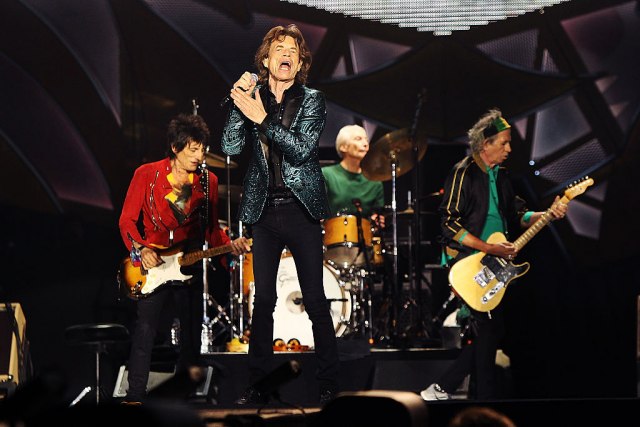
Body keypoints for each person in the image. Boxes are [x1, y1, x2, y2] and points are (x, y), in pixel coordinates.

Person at [221, 24, 340, 405]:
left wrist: (262, 119)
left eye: (293, 51)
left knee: (315, 300)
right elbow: (229, 146)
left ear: (300, 63)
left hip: (301, 208)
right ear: (266, 59)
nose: (286, 54)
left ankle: (328, 383)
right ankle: (258, 384)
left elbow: (302, 150)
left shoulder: (312, 100)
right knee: (263, 301)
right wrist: (240, 102)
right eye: (279, 48)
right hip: (264, 211)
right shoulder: (253, 97)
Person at [420, 108, 567, 401]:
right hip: (468, 262)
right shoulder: (463, 171)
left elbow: (519, 214)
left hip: (496, 262)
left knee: (491, 330)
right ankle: (464, 394)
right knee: (489, 329)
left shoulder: (501, 177)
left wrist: (547, 214)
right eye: (504, 142)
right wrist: (488, 247)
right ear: (485, 144)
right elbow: (449, 224)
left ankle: (452, 391)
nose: (509, 149)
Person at [118, 113, 250, 404]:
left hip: (188, 262)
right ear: (175, 148)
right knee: (145, 331)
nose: (199, 156)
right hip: (153, 263)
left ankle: (183, 400)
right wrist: (141, 249)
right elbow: (126, 221)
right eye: (192, 149)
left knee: (190, 335)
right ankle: (134, 397)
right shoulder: (146, 174)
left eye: (202, 149)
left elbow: (211, 229)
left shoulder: (208, 181)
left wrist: (229, 247)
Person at [322, 124, 385, 225]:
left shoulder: (375, 181)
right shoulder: (327, 175)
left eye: (366, 140)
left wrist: (377, 220)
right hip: (333, 232)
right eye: (358, 139)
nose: (365, 144)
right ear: (343, 147)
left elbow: (377, 215)